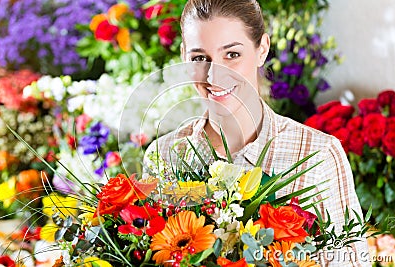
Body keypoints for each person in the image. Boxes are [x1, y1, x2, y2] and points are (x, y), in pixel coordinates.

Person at [143, 0, 369, 266]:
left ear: (261, 49)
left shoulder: (317, 155)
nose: (215, 75)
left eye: (232, 54)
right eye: (200, 58)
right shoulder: (164, 155)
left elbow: (352, 261)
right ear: (184, 57)